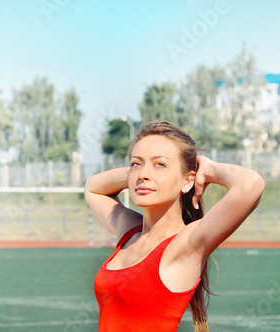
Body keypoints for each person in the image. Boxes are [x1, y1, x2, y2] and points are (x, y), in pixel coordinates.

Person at [85, 120, 265, 332]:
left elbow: (250, 184)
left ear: (188, 181)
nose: (143, 174)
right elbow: (92, 188)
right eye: (136, 163)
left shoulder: (186, 244)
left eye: (160, 164)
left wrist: (205, 168)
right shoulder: (130, 232)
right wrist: (143, 171)